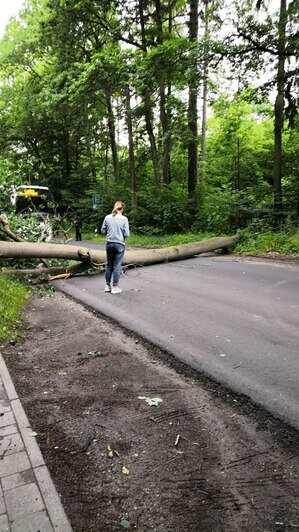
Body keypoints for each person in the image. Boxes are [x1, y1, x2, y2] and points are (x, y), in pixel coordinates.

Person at [101, 201, 130, 294]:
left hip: (109, 244)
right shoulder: (124, 219)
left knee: (109, 265)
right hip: (119, 244)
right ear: (122, 209)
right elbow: (127, 234)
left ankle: (107, 286)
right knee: (117, 266)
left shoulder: (107, 217)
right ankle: (115, 286)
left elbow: (102, 231)